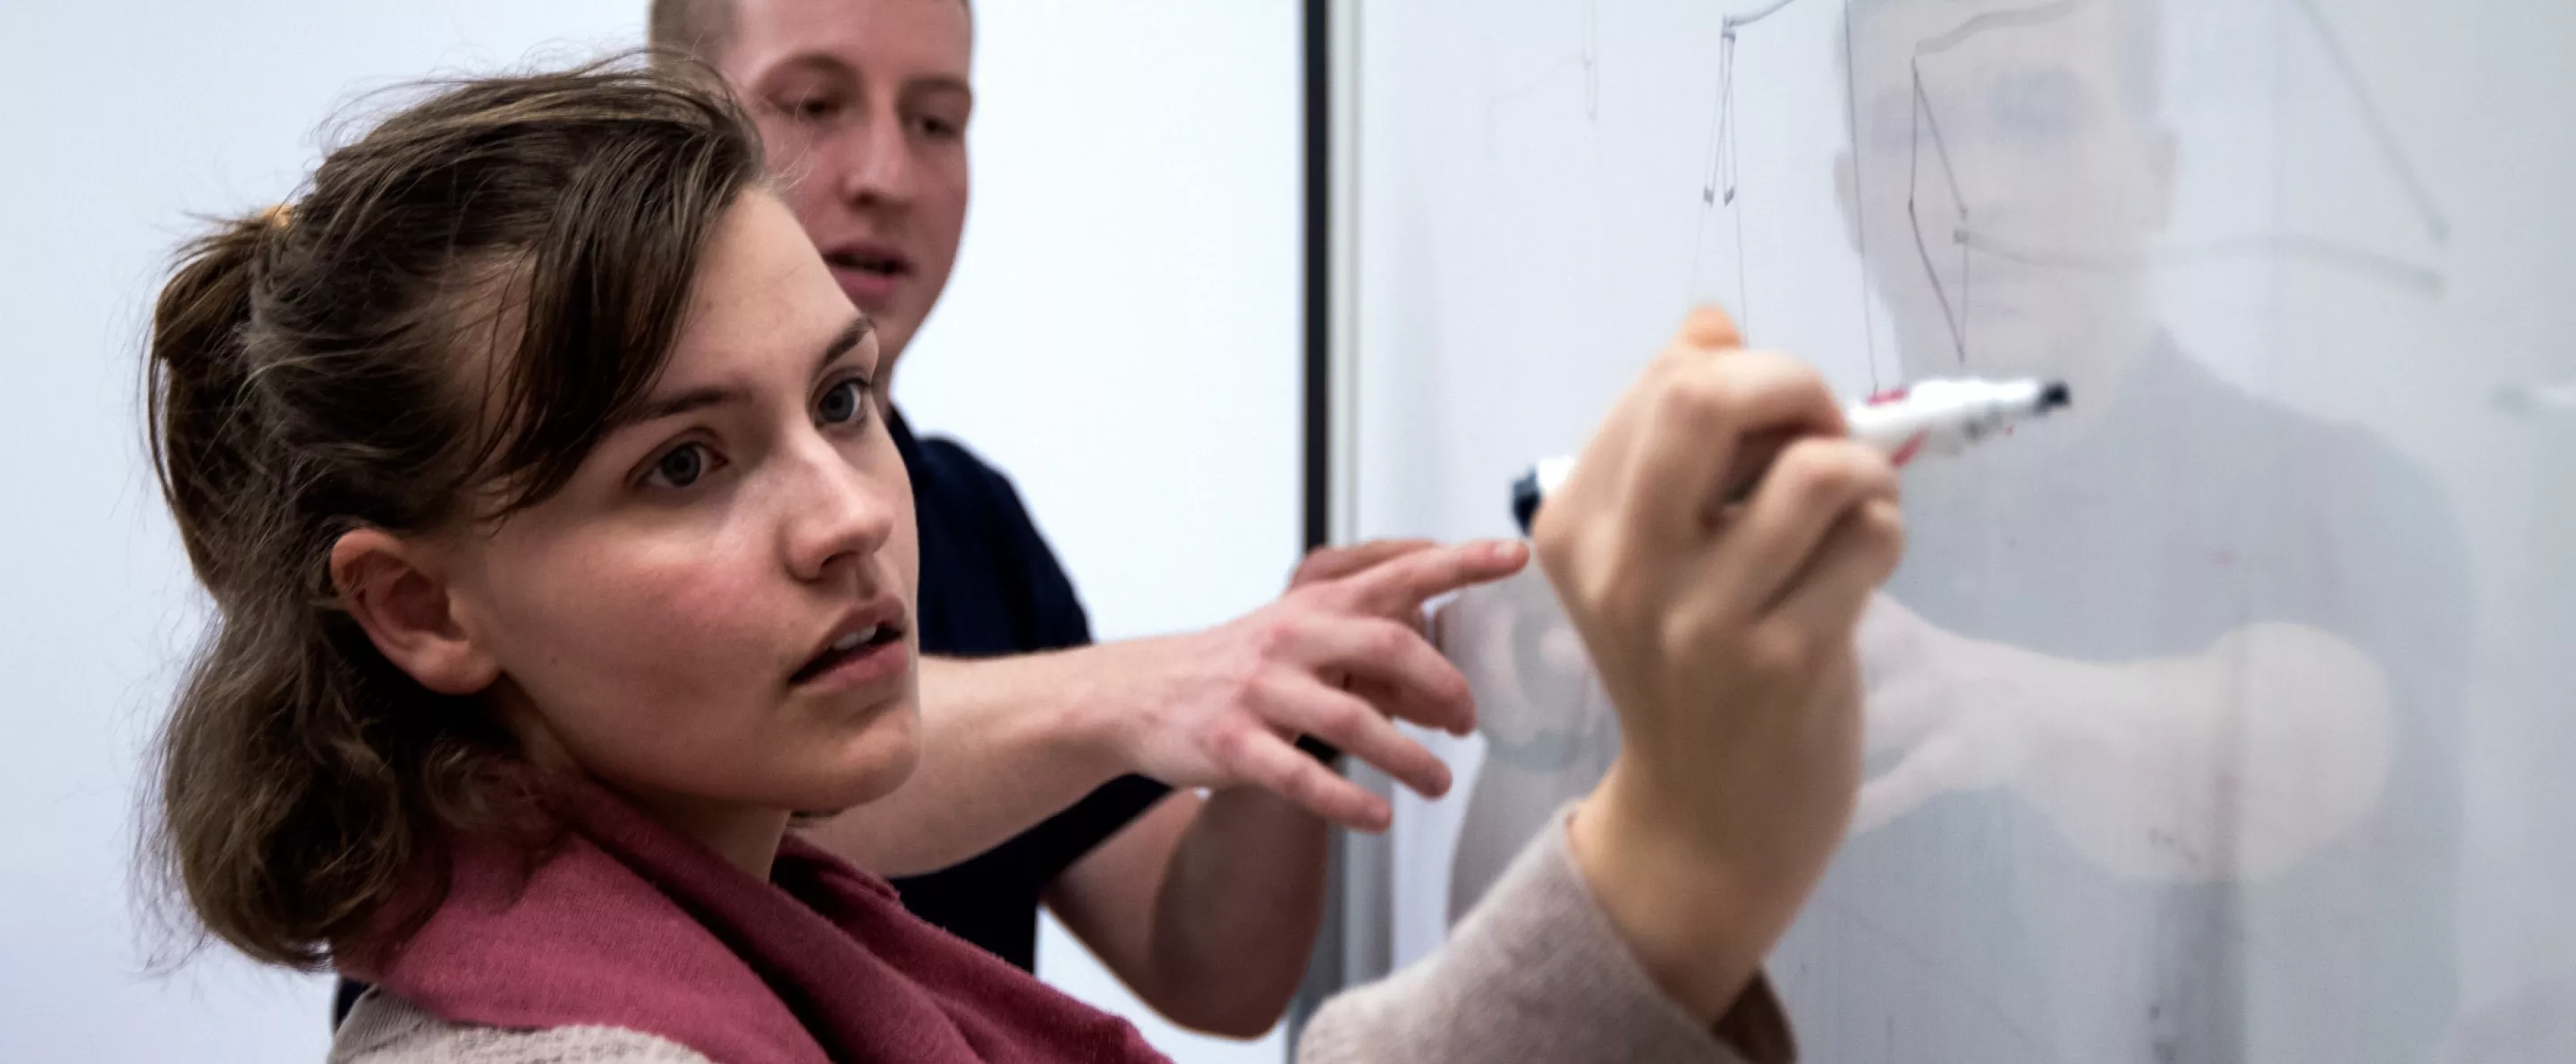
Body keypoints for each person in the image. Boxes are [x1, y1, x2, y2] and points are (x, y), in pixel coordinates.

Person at [143, 57, 1903, 1064]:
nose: (846, 511)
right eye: (682, 462)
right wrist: (1673, 858)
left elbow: (1209, 958)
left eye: (844, 398)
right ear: (422, 607)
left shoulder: (773, 889)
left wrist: (1308, 706)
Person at [614, 0, 1510, 1035]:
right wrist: (1142, 687)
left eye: (938, 121)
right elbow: (720, 777)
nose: (887, 176)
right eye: (816, 102)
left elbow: (1212, 967)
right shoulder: (608, 518)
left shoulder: (978, 521)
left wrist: (1296, 699)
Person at [1806, 0, 2472, 1060]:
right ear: (1852, 198)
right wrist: (1532, 717)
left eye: (2037, 115)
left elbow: (2321, 733)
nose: (1978, 187)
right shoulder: (1773, 546)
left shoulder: (2340, 495)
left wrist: (2017, 709)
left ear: (2157, 172)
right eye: (1915, 129)